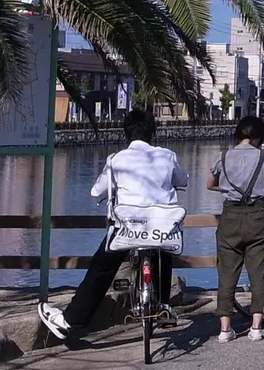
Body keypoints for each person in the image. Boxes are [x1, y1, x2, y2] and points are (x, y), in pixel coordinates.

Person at [38, 108, 186, 342]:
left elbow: (96, 191)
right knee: (162, 249)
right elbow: (182, 180)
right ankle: (163, 305)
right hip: (161, 226)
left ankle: (72, 320)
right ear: (152, 132)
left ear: (125, 133)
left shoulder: (116, 160)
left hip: (127, 228)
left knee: (102, 268)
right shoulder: (167, 156)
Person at [208, 115, 264, 342]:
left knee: (227, 272)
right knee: (258, 270)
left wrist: (228, 189)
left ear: (238, 135)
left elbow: (210, 184)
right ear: (259, 137)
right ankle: (256, 327)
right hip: (259, 216)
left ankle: (224, 329)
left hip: (230, 216)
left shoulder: (222, 156)